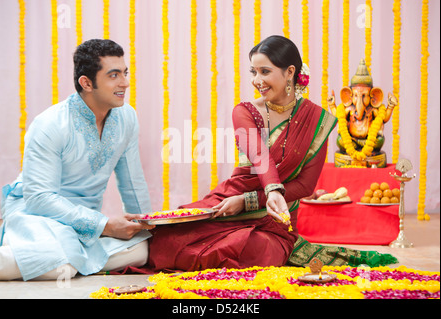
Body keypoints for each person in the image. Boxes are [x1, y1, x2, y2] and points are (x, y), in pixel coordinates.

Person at [145, 35, 338, 272]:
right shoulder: (246, 112)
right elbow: (259, 156)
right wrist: (258, 195)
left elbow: (306, 186)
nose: (257, 80)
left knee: (258, 250)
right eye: (253, 72)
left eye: (265, 72)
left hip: (274, 221)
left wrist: (248, 202)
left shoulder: (317, 121)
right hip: (228, 204)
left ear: (289, 72)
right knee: (167, 239)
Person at [0, 39, 155, 281]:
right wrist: (104, 226)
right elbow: (38, 199)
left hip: (85, 221)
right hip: (38, 215)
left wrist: (146, 224)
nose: (125, 83)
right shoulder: (50, 124)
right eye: (113, 75)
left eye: (124, 72)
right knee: (62, 264)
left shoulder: (127, 117)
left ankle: (57, 256)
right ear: (86, 83)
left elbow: (132, 180)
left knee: (140, 250)